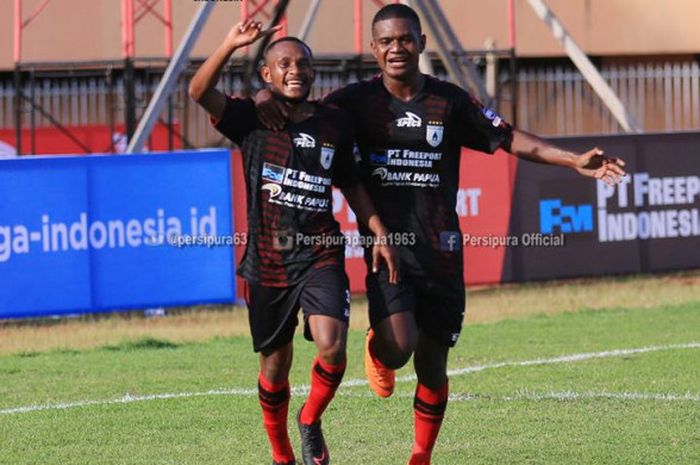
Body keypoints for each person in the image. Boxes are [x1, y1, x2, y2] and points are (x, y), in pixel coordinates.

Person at [255, 5, 626, 465]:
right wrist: (259, 96)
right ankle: (377, 348)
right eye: (386, 41)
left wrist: (571, 160)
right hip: (389, 250)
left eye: (404, 39)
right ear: (373, 49)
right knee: (398, 347)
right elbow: (300, 108)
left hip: (443, 251)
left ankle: (421, 457)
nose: (396, 48)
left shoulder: (449, 102)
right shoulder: (350, 103)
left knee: (433, 364)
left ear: (421, 42)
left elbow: (508, 137)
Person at [188, 19, 399, 465]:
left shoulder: (334, 123)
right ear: (267, 74)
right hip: (266, 262)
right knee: (274, 366)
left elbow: (353, 183)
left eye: (303, 63)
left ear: (314, 72)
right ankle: (282, 455)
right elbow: (198, 91)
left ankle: (310, 420)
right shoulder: (253, 117)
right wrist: (230, 43)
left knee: (332, 344)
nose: (294, 70)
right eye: (283, 64)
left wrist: (377, 228)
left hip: (320, 252)